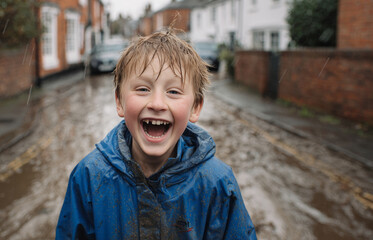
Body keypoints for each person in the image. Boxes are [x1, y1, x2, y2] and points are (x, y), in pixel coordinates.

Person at [56, 30, 257, 240]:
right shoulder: (88, 176)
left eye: (174, 92)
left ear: (195, 107)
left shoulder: (218, 184)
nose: (157, 104)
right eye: (143, 89)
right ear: (119, 102)